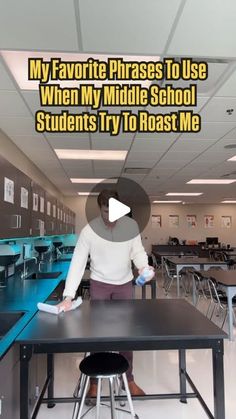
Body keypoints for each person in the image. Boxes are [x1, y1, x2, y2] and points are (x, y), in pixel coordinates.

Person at [58, 189, 152, 397]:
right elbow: (78, 262)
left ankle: (129, 379)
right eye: (105, 212)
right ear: (100, 209)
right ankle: (94, 383)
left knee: (126, 336)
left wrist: (144, 268)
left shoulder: (131, 226)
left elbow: (137, 252)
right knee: (98, 335)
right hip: (100, 285)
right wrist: (68, 296)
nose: (110, 217)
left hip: (124, 285)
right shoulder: (90, 231)